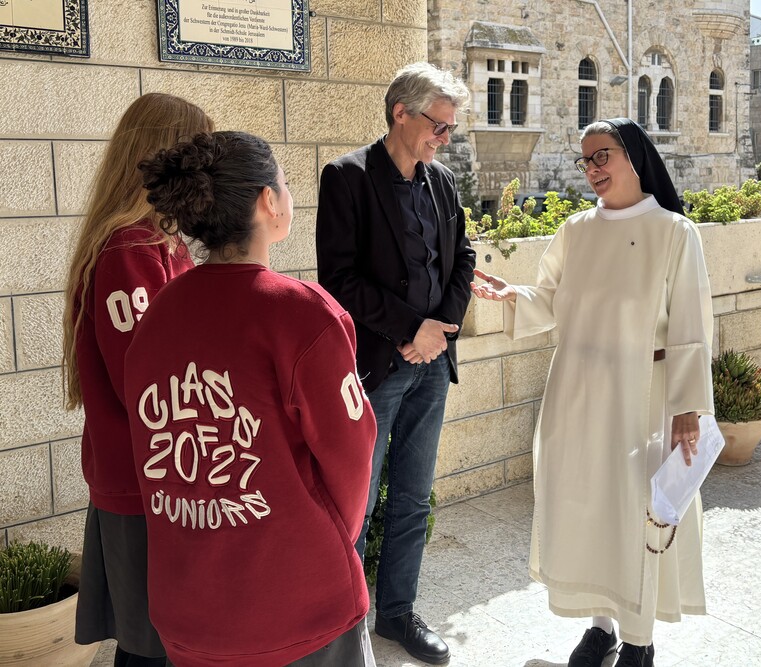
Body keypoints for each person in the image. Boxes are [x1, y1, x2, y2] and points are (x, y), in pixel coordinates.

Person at [124, 130, 378, 667]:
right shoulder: (301, 313)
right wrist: (329, 542)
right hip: (300, 609)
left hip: (187, 609)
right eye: (285, 185)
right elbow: (352, 455)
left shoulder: (158, 314)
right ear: (268, 201)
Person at [471, 118, 714, 667]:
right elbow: (551, 298)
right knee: (587, 508)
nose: (593, 170)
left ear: (633, 156)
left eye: (601, 156)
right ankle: (601, 627)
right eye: (586, 160)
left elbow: (692, 331)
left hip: (644, 398)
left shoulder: (675, 233)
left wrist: (688, 409)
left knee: (638, 514)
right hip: (578, 393)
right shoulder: (575, 230)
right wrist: (513, 295)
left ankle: (639, 639)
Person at [315, 61, 476, 665]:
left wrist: (438, 333)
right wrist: (412, 328)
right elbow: (340, 280)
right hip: (376, 368)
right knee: (355, 504)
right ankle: (343, 625)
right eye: (438, 125)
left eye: (451, 130)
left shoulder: (443, 182)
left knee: (413, 495)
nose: (444, 138)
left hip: (432, 365)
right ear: (399, 113)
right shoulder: (347, 177)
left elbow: (463, 259)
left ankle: (398, 614)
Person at [62, 92, 213, 667]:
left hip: (157, 477)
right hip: (145, 482)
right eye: (197, 153)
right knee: (150, 648)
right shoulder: (130, 249)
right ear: (163, 156)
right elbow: (152, 387)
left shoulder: (161, 241)